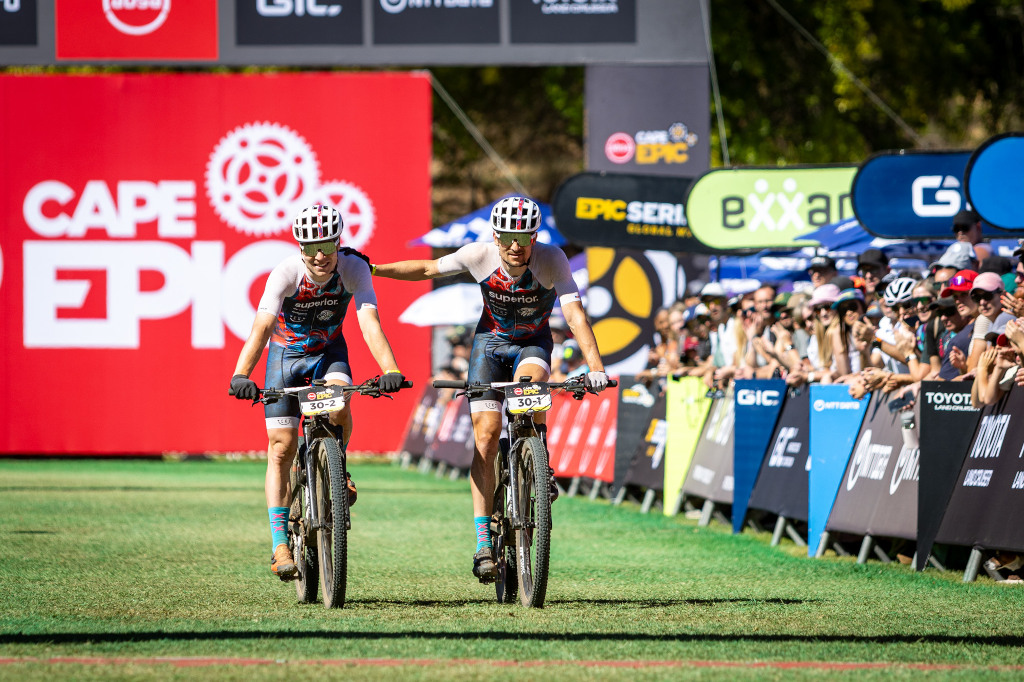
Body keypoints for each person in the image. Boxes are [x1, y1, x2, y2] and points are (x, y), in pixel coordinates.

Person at [371, 196, 609, 582]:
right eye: (507, 237)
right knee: (485, 438)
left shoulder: (553, 259)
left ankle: (539, 459)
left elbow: (574, 314)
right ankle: (483, 539)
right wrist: (376, 269)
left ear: (535, 236)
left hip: (533, 344)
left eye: (524, 237)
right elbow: (428, 268)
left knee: (529, 388)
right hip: (489, 346)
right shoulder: (478, 255)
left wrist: (596, 367)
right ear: (495, 236)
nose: (515, 246)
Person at [228, 204, 405, 580]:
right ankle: (280, 545)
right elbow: (261, 329)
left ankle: (337, 464)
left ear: (339, 242)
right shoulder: (286, 273)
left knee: (341, 400)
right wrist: (241, 373)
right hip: (285, 360)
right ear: (299, 246)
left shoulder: (353, 268)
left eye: (327, 244)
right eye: (310, 247)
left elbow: (370, 323)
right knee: (280, 448)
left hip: (328, 355)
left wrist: (390, 369)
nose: (320, 254)